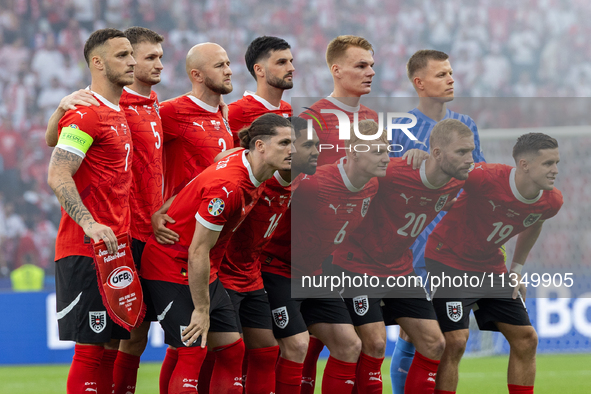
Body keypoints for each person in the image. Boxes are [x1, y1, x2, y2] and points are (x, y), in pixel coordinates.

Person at [44, 27, 167, 394]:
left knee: (111, 346)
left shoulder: (116, 112)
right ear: (97, 62)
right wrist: (90, 222)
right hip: (86, 247)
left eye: (133, 54)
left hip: (118, 248)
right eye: (122, 55)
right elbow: (57, 170)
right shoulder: (88, 114)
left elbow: (54, 136)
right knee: (91, 349)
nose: (131, 61)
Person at [140, 113, 292, 394]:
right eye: (284, 143)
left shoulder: (240, 159)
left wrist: (170, 206)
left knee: (232, 351)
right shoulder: (229, 189)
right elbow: (198, 250)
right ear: (259, 146)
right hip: (172, 265)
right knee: (192, 348)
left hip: (202, 268)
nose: (292, 150)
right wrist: (201, 310)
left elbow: (206, 175)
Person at [332, 119, 475, 394]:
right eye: (461, 152)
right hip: (355, 265)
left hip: (399, 270)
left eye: (471, 151)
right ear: (437, 153)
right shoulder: (392, 173)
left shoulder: (458, 181)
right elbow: (349, 172)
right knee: (372, 343)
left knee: (435, 343)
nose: (469, 159)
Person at [425, 133, 563, 394]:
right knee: (455, 341)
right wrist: (439, 199)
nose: (555, 170)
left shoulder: (551, 201)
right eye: (548, 164)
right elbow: (444, 173)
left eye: (557, 163)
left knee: (526, 339)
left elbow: (536, 222)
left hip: (490, 268)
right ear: (524, 165)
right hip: (448, 260)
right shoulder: (485, 176)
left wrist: (516, 270)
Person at [262, 120, 389, 393]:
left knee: (350, 345)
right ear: (353, 151)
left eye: (387, 150)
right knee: (295, 345)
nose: (386, 157)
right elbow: (262, 192)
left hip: (316, 275)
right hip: (278, 271)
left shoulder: (372, 186)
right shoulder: (311, 185)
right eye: (378, 151)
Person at [388, 49, 487, 394]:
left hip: (454, 249)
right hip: (411, 246)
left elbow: (477, 179)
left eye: (451, 72)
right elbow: (382, 184)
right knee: (415, 334)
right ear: (419, 83)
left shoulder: (465, 125)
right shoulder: (399, 129)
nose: (451, 78)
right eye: (441, 74)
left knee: (455, 340)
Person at [160, 42, 234, 201]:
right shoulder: (172, 111)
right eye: (219, 66)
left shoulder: (223, 112)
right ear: (197, 75)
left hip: (215, 217)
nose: (229, 71)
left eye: (228, 64)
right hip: (182, 220)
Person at [302, 35, 377, 167]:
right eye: (361, 66)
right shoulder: (312, 119)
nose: (371, 72)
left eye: (371, 65)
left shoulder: (373, 117)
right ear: (337, 71)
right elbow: (298, 178)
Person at [228, 35, 293, 147]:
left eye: (290, 61)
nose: (291, 68)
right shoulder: (234, 113)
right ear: (259, 70)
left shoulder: (287, 109)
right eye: (282, 62)